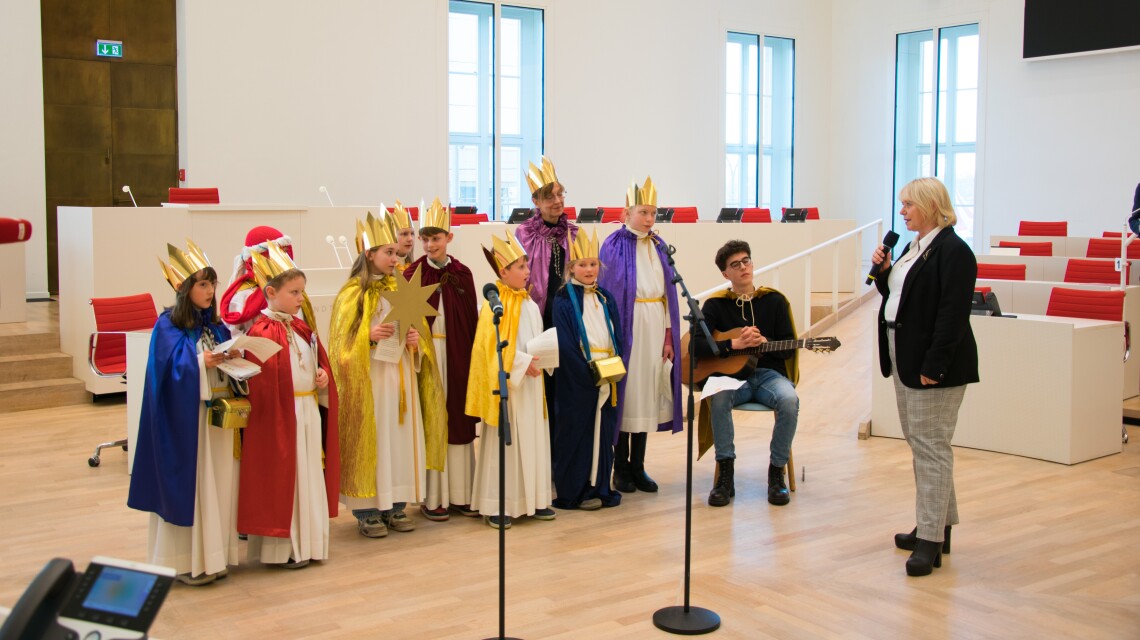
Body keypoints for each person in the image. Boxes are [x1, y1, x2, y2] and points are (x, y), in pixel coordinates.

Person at [870, 177, 978, 577]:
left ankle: (930, 541)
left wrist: (935, 366)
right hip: (903, 352)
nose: (902, 212)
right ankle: (937, 526)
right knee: (923, 444)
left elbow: (952, 316)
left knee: (931, 447)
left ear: (931, 206)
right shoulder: (916, 248)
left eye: (908, 205)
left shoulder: (954, 251)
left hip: (933, 363)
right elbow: (898, 295)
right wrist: (882, 272)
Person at [328, 211, 447, 539]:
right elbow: (340, 346)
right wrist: (368, 335)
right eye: (389, 253)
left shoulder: (403, 288)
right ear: (369, 255)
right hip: (372, 383)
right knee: (375, 441)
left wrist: (415, 343)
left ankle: (396, 504)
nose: (397, 257)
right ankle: (367, 511)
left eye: (397, 252)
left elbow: (420, 336)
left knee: (398, 440)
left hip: (401, 378)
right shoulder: (352, 293)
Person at [127, 240, 239, 586]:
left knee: (217, 485)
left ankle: (214, 556)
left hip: (216, 422)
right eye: (202, 284)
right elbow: (164, 374)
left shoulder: (215, 326)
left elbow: (224, 359)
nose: (209, 291)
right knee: (191, 488)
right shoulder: (168, 327)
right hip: (186, 426)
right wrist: (198, 362)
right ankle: (182, 562)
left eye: (212, 284)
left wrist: (234, 362)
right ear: (184, 288)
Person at [238, 249, 340, 570]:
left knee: (307, 475)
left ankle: (309, 543)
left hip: (307, 410)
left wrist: (323, 375)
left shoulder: (301, 327)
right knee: (285, 479)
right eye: (293, 292)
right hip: (281, 418)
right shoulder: (260, 332)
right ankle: (283, 549)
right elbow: (260, 384)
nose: (300, 298)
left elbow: (317, 362)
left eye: (301, 292)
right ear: (271, 292)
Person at [695, 240, 799, 508]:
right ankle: (725, 475)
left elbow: (788, 348)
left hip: (768, 375)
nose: (743, 267)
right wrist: (733, 345)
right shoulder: (715, 306)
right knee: (718, 397)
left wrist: (764, 342)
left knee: (789, 400)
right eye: (735, 264)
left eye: (747, 261)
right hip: (731, 378)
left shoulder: (774, 301)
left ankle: (777, 473)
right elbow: (696, 345)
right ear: (725, 274)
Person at [465, 230, 556, 529]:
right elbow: (488, 348)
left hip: (532, 384)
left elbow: (536, 339)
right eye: (521, 267)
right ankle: (498, 504)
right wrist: (520, 362)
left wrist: (543, 357)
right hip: (510, 388)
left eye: (528, 266)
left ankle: (535, 500)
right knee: (507, 444)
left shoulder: (530, 304)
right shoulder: (493, 305)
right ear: (502, 272)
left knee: (533, 439)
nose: (528, 271)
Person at [598, 176, 682, 494]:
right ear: (627, 212)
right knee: (628, 395)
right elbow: (609, 291)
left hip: (655, 324)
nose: (649, 219)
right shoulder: (613, 244)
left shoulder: (659, 246)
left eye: (653, 213)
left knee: (647, 393)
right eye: (643, 212)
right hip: (628, 327)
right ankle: (620, 468)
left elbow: (668, 296)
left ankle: (639, 466)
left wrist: (669, 336)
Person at [404, 198, 481, 521]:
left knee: (458, 420)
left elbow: (471, 322)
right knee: (433, 419)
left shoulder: (463, 273)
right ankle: (433, 496)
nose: (429, 244)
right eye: (425, 239)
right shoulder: (412, 274)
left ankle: (462, 494)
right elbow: (405, 321)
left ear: (449, 238)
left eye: (435, 238)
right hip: (428, 356)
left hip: (459, 354)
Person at [551, 228, 624, 510]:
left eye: (593, 264)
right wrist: (586, 375)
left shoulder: (605, 297)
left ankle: (599, 487)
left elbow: (615, 335)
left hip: (606, 377)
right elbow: (566, 342)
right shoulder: (564, 300)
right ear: (571, 268)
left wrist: (613, 369)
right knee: (578, 432)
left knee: (602, 434)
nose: (589, 269)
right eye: (583, 264)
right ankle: (576, 490)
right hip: (579, 378)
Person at [514, 157, 579, 437]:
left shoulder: (572, 233)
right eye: (549, 197)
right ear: (535, 201)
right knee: (542, 383)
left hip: (564, 316)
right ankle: (542, 448)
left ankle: (559, 453)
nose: (556, 201)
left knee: (564, 385)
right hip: (537, 317)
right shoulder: (525, 233)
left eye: (559, 194)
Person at [219, 226, 295, 336]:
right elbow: (233, 336)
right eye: (279, 253)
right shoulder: (244, 296)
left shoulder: (292, 290)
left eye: (286, 252)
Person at [391, 200, 417, 272]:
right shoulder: (387, 268)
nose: (410, 239)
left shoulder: (413, 266)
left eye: (412, 234)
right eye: (405, 234)